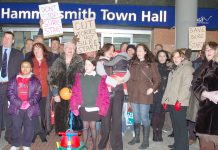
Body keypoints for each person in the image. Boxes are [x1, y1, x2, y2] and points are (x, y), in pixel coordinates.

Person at [70, 57, 110, 150]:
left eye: (88, 64)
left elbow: (105, 95)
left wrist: (103, 108)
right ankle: (84, 146)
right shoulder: (80, 77)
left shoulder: (99, 78)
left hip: (94, 107)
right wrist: (74, 106)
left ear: (94, 66)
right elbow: (75, 92)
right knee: (85, 127)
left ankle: (95, 147)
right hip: (83, 106)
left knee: (93, 126)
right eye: (85, 64)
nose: (86, 66)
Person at [97, 43, 130, 150]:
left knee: (117, 120)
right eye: (109, 50)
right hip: (106, 94)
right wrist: (117, 81)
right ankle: (102, 145)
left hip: (119, 92)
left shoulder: (118, 59)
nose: (111, 52)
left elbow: (127, 71)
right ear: (104, 50)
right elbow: (103, 76)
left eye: (113, 50)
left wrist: (123, 79)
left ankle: (117, 146)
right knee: (105, 120)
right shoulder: (100, 62)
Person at [128, 43, 160, 149]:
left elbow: (157, 80)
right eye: (138, 50)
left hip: (145, 95)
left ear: (145, 52)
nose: (139, 52)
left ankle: (145, 141)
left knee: (144, 118)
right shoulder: (133, 63)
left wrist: (152, 89)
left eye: (141, 50)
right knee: (136, 117)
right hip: (133, 94)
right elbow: (129, 79)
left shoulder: (151, 64)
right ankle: (137, 137)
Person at [48, 41, 84, 134]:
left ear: (75, 50)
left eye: (72, 48)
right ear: (64, 49)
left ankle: (75, 133)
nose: (70, 49)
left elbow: (84, 76)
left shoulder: (79, 61)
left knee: (76, 115)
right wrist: (55, 93)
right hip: (60, 93)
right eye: (68, 47)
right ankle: (62, 134)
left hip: (76, 93)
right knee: (61, 114)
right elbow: (51, 77)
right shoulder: (58, 61)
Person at [162, 49, 194, 150]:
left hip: (180, 102)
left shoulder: (187, 68)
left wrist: (179, 101)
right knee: (175, 125)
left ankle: (183, 147)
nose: (175, 59)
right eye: (174, 57)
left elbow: (186, 86)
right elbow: (169, 86)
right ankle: (177, 144)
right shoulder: (174, 69)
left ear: (182, 57)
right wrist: (165, 100)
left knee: (181, 126)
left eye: (178, 57)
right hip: (171, 101)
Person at [7, 60, 41, 150]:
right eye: (23, 66)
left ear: (31, 68)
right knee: (16, 126)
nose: (25, 68)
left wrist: (29, 103)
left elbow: (38, 94)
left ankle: (26, 144)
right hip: (16, 107)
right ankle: (16, 144)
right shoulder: (13, 79)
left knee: (29, 126)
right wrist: (19, 103)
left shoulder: (35, 80)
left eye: (27, 66)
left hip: (30, 107)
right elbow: (10, 92)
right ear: (20, 68)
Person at [193, 41, 218, 150]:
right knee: (205, 146)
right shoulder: (205, 66)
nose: (208, 52)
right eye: (206, 49)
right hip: (206, 113)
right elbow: (195, 84)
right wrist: (206, 93)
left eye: (211, 49)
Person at [0, 31, 23, 143]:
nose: (6, 40)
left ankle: (8, 135)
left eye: (9, 38)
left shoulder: (18, 54)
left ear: (13, 41)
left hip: (10, 88)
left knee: (9, 112)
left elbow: (21, 72)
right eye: (5, 37)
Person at [152, 50, 170, 142]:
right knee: (156, 114)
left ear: (166, 57)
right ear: (157, 57)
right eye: (160, 56)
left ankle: (160, 133)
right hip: (156, 95)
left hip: (166, 95)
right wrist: (153, 90)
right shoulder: (154, 68)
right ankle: (155, 133)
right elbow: (149, 80)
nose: (162, 58)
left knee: (162, 114)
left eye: (164, 56)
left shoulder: (169, 69)